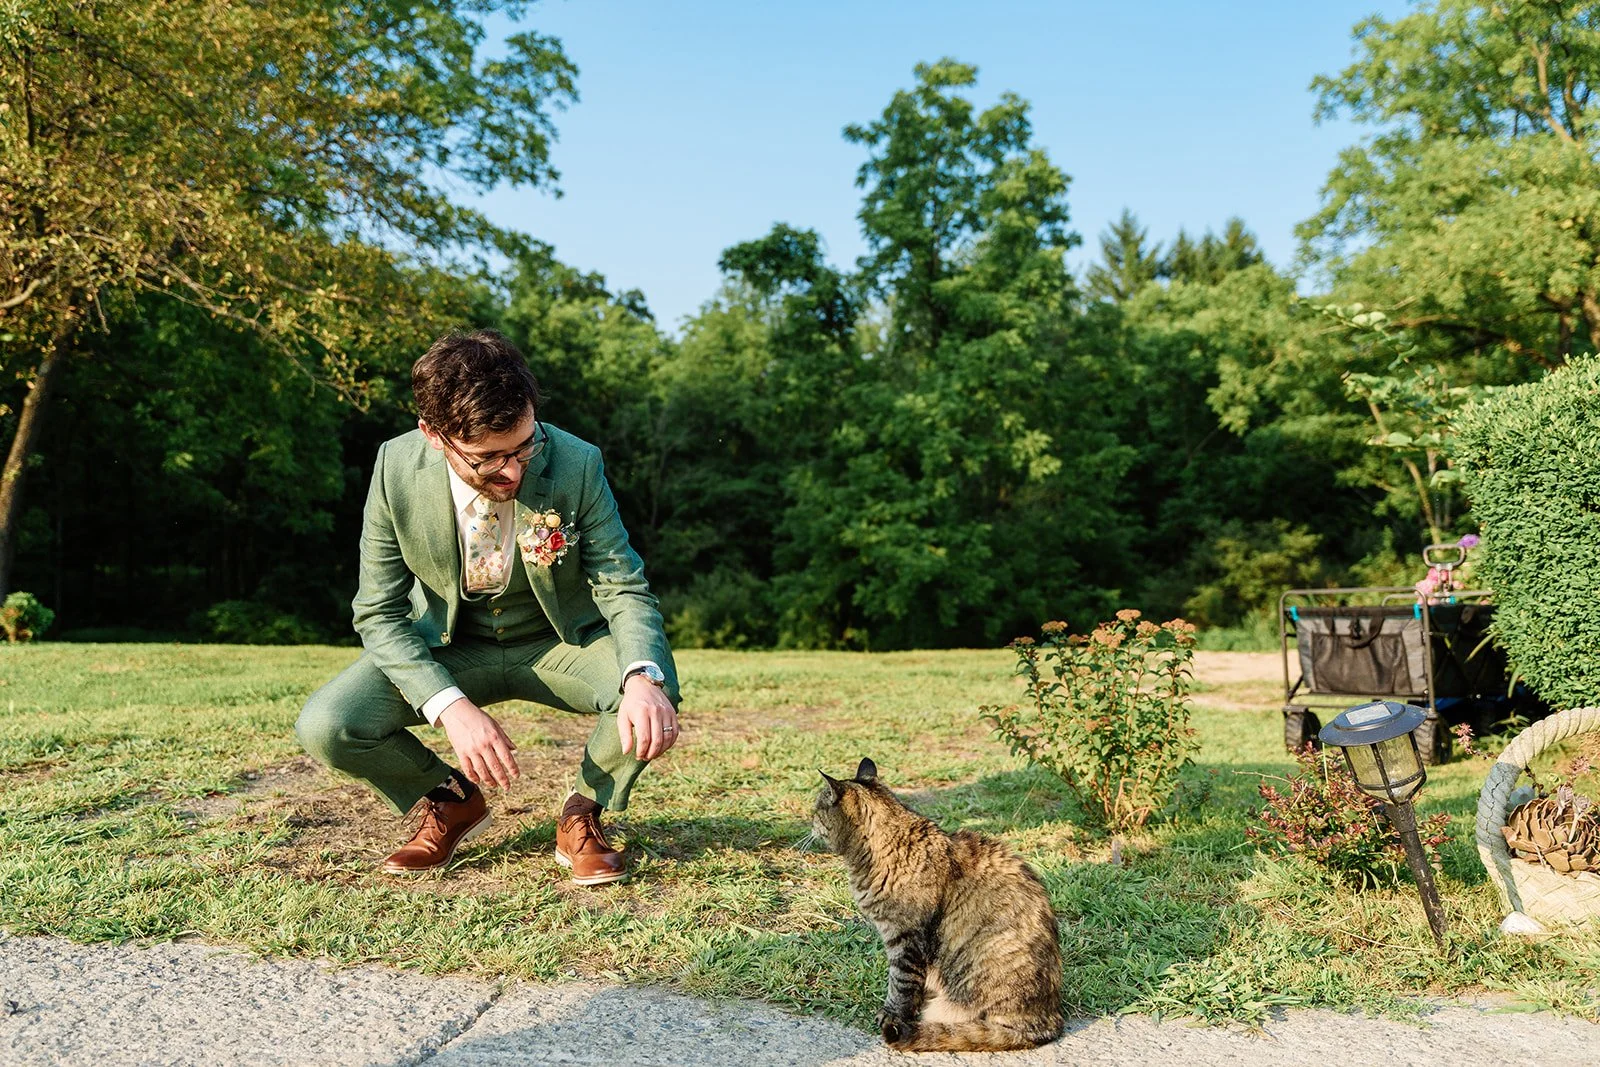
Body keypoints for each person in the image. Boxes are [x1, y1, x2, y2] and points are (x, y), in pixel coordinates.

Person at [295, 329, 681, 885]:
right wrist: (448, 706)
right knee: (327, 724)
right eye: (489, 458)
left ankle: (582, 814)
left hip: (560, 643)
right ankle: (450, 802)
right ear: (433, 435)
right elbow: (377, 612)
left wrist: (642, 676)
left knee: (654, 682)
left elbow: (623, 583)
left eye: (525, 446)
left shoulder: (577, 463)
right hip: (450, 648)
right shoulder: (393, 468)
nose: (514, 472)